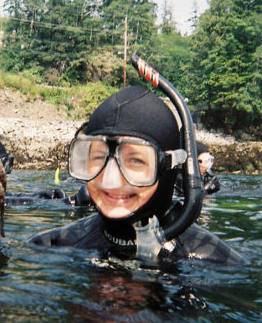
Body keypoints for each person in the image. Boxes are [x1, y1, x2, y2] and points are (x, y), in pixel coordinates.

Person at [28, 85, 242, 264]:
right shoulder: (49, 246)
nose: (110, 181)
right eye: (98, 157)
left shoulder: (216, 261)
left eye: (135, 160)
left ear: (168, 168)